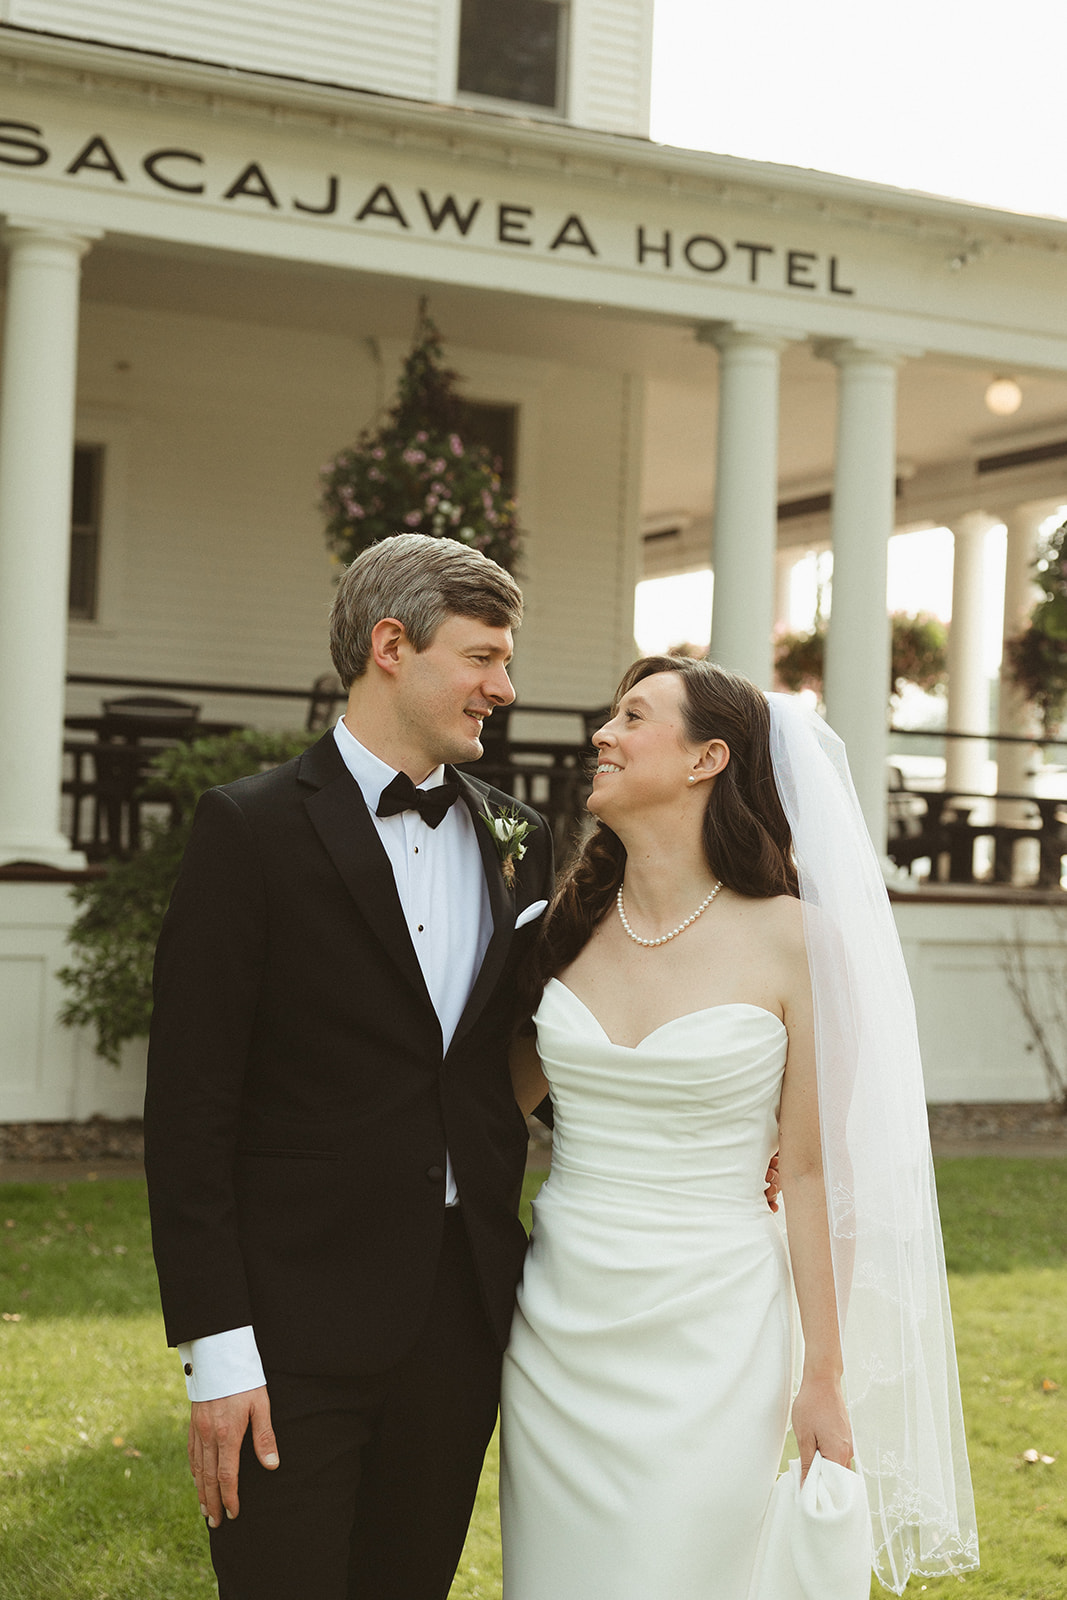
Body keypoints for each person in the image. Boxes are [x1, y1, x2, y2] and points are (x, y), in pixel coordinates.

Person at [501, 655, 978, 1599]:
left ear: (705, 759)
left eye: (632, 717)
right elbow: (482, 1114)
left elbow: (808, 1173)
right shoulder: (556, 930)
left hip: (714, 1331)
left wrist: (824, 1378)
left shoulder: (795, 939)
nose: (603, 734)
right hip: (558, 1327)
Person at [143, 533, 555, 1600]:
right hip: (291, 1336)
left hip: (460, 1323)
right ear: (390, 646)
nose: (502, 688)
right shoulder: (248, 829)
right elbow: (188, 1116)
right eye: (482, 657)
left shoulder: (518, 838)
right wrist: (219, 1353)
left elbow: (518, 1053)